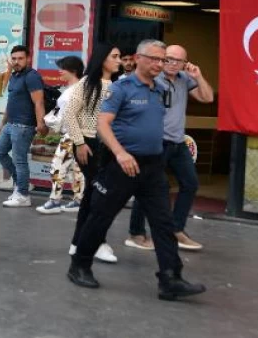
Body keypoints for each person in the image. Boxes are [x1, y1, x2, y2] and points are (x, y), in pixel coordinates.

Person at [68, 39, 206, 301]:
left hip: (153, 166)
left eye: (163, 59)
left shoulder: (159, 89)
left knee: (163, 223)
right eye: (154, 58)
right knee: (100, 216)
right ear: (138, 58)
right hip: (122, 165)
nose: (159, 64)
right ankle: (80, 265)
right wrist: (120, 153)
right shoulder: (122, 88)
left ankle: (170, 278)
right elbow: (103, 124)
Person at [127, 45, 214, 251]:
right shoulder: (152, 79)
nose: (174, 64)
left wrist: (198, 76)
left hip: (177, 142)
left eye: (179, 61)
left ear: (186, 63)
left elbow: (208, 98)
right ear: (161, 59)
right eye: (169, 59)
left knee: (190, 183)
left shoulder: (184, 79)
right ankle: (136, 233)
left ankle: (176, 230)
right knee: (147, 187)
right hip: (156, 142)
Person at [65, 43, 122, 264]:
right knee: (100, 194)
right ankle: (96, 241)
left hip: (107, 145)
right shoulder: (87, 83)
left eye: (120, 57)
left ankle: (78, 241)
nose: (119, 60)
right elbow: (70, 114)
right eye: (115, 56)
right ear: (102, 58)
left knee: (92, 194)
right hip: (88, 144)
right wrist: (79, 143)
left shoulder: (119, 86)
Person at [0, 45, 47, 208]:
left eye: (20, 58)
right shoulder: (14, 76)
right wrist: (2, 123)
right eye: (14, 58)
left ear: (28, 59)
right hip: (10, 124)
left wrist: (41, 124)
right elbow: (11, 102)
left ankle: (23, 195)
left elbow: (38, 102)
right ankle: (21, 184)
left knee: (19, 160)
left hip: (24, 126)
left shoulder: (32, 76)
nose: (16, 62)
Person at [36, 56, 85, 214]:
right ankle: (79, 200)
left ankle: (55, 200)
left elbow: (68, 115)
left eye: (63, 68)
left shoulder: (73, 91)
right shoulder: (77, 89)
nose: (59, 71)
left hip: (70, 134)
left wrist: (53, 121)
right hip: (77, 134)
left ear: (73, 71)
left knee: (57, 166)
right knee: (76, 169)